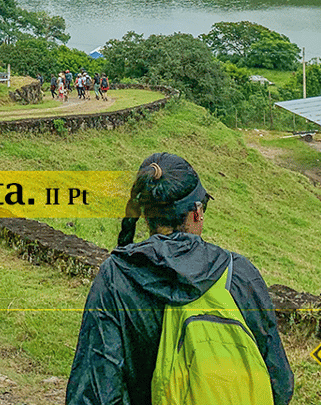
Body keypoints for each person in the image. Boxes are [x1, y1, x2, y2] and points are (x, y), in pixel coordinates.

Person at [66, 153, 293, 405]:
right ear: (197, 212)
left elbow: (95, 388)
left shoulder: (116, 277)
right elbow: (279, 383)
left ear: (144, 214)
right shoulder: (238, 273)